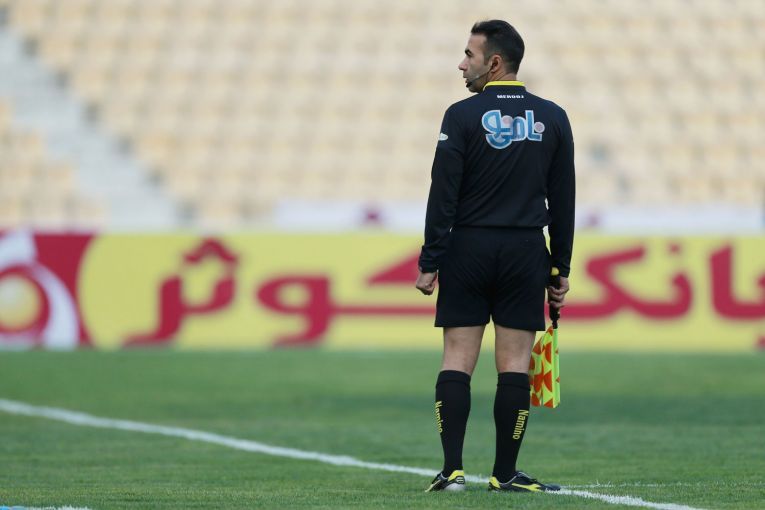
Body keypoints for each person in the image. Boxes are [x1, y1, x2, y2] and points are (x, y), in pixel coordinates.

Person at [416, 20, 575, 492]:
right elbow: (563, 200)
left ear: (495, 62)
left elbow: (443, 193)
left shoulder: (461, 116)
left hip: (468, 248)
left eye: (469, 55)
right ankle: (505, 473)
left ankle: (452, 470)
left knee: (457, 357)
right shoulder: (553, 117)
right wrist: (559, 267)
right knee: (515, 364)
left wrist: (430, 260)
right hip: (525, 251)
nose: (461, 64)